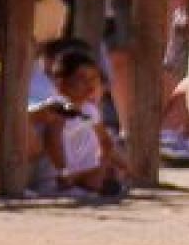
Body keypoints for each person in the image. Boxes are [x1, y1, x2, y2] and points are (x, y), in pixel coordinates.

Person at [30, 46, 125, 199]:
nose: (90, 85)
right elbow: (52, 139)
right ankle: (72, 184)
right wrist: (63, 169)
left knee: (108, 169)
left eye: (94, 79)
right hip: (57, 173)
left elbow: (105, 141)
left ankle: (92, 182)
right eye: (82, 79)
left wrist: (124, 166)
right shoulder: (57, 107)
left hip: (81, 168)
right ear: (60, 82)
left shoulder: (90, 110)